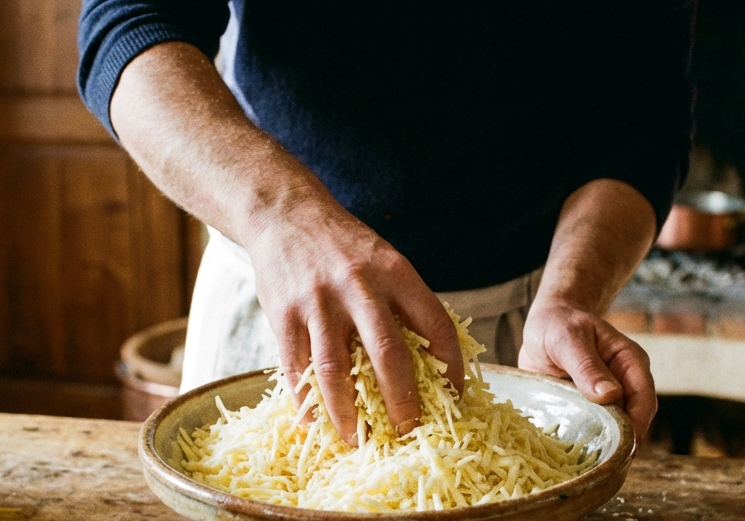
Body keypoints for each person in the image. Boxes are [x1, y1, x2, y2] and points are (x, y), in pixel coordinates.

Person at [78, 1, 694, 443]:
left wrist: (571, 296)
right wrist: (285, 219)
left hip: (524, 339)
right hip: (283, 304)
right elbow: (128, 26)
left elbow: (639, 122)